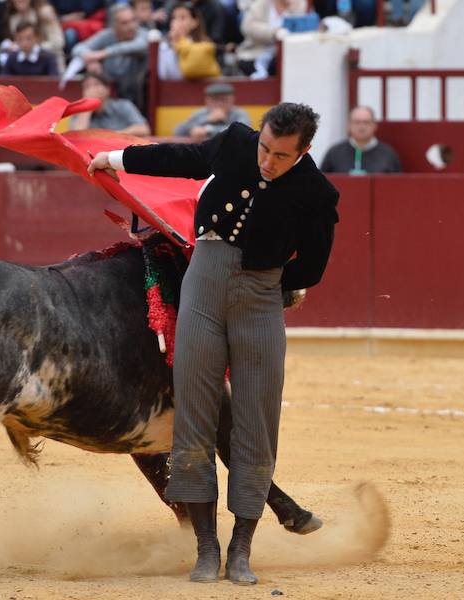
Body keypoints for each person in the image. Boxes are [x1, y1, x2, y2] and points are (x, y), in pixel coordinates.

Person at [86, 103, 339, 585]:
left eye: (281, 156)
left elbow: (313, 267)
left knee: (256, 422)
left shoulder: (316, 193)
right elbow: (181, 158)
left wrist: (268, 283)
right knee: (195, 415)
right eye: (265, 147)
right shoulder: (237, 143)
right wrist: (116, 159)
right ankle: (206, 547)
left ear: (304, 152)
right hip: (201, 286)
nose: (267, 161)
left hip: (260, 299)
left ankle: (240, 549)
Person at [71, 4, 148, 111]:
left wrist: (104, 53)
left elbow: (140, 46)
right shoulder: (108, 35)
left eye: (133, 20)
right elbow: (78, 48)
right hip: (110, 99)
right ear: (114, 26)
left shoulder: (142, 34)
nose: (131, 26)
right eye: (124, 23)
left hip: (138, 97)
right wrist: (91, 60)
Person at [320, 105, 402, 174]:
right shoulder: (335, 153)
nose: (362, 126)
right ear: (349, 125)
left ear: (374, 125)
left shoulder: (388, 154)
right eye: (357, 122)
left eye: (366, 122)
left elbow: (397, 184)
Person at [236, 0, 306, 77]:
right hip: (257, 53)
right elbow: (247, 27)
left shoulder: (300, 4)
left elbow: (307, 29)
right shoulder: (261, 4)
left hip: (290, 56)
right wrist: (273, 32)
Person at [68, 71, 149, 136]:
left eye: (96, 84)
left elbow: (143, 129)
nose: (92, 90)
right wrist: (88, 107)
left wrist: (114, 135)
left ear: (107, 89)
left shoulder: (123, 106)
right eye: (87, 87)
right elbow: (76, 137)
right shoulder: (79, 113)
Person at [157, 2, 219, 81]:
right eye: (174, 18)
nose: (177, 22)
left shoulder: (204, 45)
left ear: (194, 22)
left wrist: (181, 43)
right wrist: (170, 47)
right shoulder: (164, 46)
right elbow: (163, 74)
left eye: (182, 18)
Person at [173, 82, 251, 140]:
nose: (220, 104)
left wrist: (208, 130)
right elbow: (178, 131)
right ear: (207, 101)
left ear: (232, 100)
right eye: (215, 100)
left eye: (224, 100)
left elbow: (242, 133)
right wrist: (207, 119)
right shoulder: (199, 113)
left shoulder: (240, 114)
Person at [2, 0, 64, 71]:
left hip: (49, 65)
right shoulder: (13, 19)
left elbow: (58, 42)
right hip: (22, 68)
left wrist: (34, 47)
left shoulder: (45, 13)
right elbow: (18, 44)